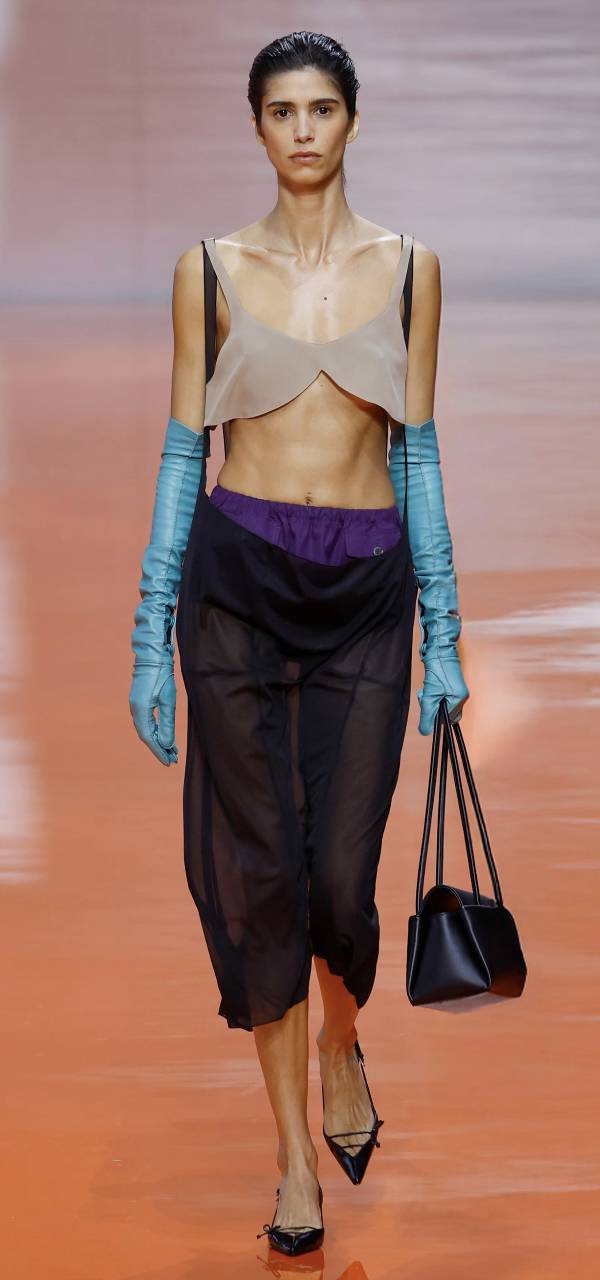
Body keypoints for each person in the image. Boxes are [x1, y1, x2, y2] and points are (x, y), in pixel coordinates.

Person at [129, 30, 468, 1258]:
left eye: (323, 108)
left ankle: (342, 1038)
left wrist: (447, 628)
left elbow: (418, 453)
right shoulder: (208, 270)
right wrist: (147, 629)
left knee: (339, 880)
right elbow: (185, 452)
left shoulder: (413, 269)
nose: (305, 130)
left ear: (352, 120)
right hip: (234, 593)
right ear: (258, 127)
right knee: (263, 879)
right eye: (283, 111)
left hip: (366, 594)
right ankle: (291, 1162)